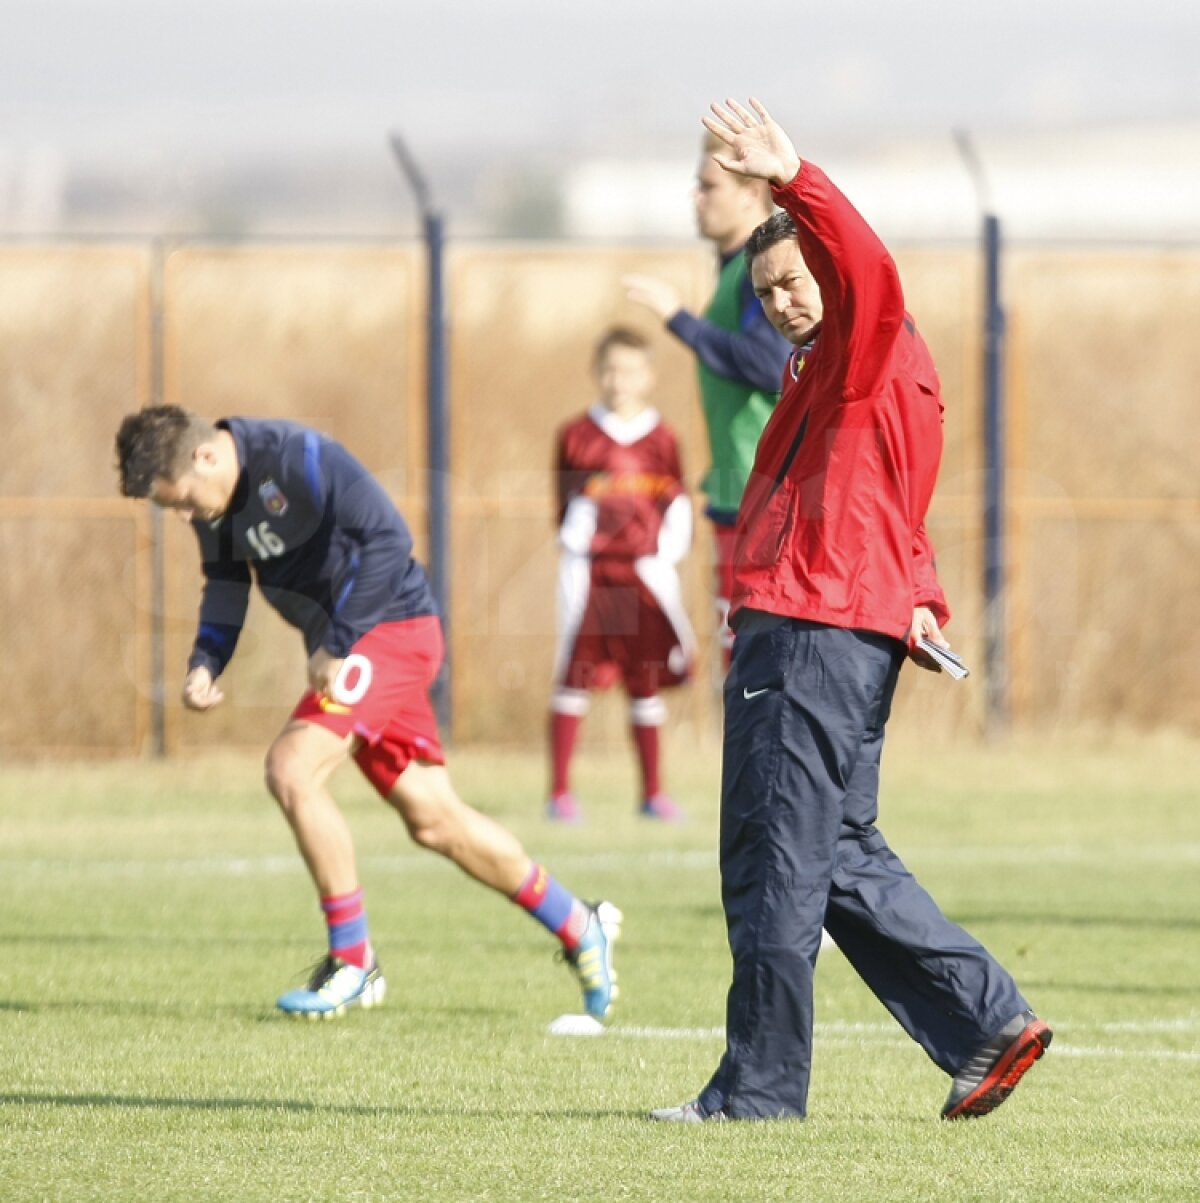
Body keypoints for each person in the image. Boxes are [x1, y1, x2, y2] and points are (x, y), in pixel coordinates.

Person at [650, 99, 1052, 1123]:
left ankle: (758, 1093)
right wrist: (916, 597)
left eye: (796, 279)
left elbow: (867, 271)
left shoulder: (865, 341)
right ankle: (987, 1025)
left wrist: (796, 180)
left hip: (812, 629)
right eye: (771, 287)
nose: (785, 299)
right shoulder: (841, 373)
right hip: (841, 620)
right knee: (831, 850)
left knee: (776, 856)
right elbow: (891, 506)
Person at [114, 406, 621, 1021]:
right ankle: (578, 923)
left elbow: (388, 540)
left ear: (205, 457)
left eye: (184, 503)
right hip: (360, 648)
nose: (189, 517)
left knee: (292, 768)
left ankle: (353, 961)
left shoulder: (295, 456)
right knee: (435, 820)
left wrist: (340, 640)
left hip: (393, 628)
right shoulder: (214, 498)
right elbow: (225, 583)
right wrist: (205, 662)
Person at [624, 133, 791, 670]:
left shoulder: (757, 272)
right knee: (735, 655)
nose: (696, 196)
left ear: (749, 194)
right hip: (731, 490)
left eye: (708, 185)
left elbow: (768, 364)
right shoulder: (730, 269)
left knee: (754, 659)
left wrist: (680, 320)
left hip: (758, 494)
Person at [548, 327, 696, 823]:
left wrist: (664, 554)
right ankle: (560, 794)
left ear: (649, 376)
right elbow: (564, 506)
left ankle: (653, 794)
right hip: (590, 575)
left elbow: (677, 503)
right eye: (610, 369)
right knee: (575, 676)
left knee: (646, 679)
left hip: (644, 575)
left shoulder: (662, 437)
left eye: (631, 370)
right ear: (596, 372)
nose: (620, 380)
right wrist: (577, 546)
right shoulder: (576, 435)